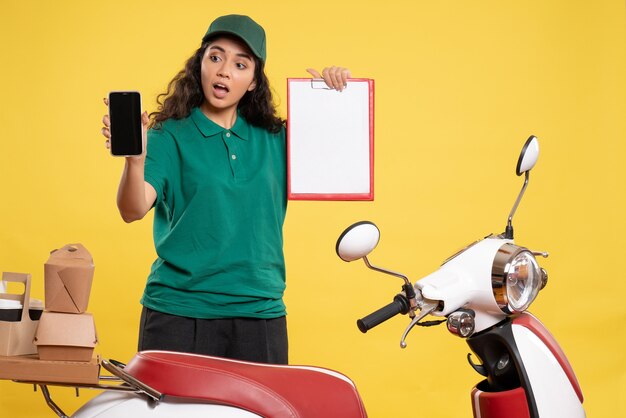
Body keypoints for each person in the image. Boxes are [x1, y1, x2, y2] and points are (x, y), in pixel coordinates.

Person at [101, 14, 350, 364]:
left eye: (240, 64)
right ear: (199, 64)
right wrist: (134, 161)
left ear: (252, 81)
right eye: (215, 57)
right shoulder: (168, 134)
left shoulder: (278, 138)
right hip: (178, 311)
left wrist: (336, 96)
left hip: (259, 312)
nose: (224, 71)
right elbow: (132, 209)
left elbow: (342, 157)